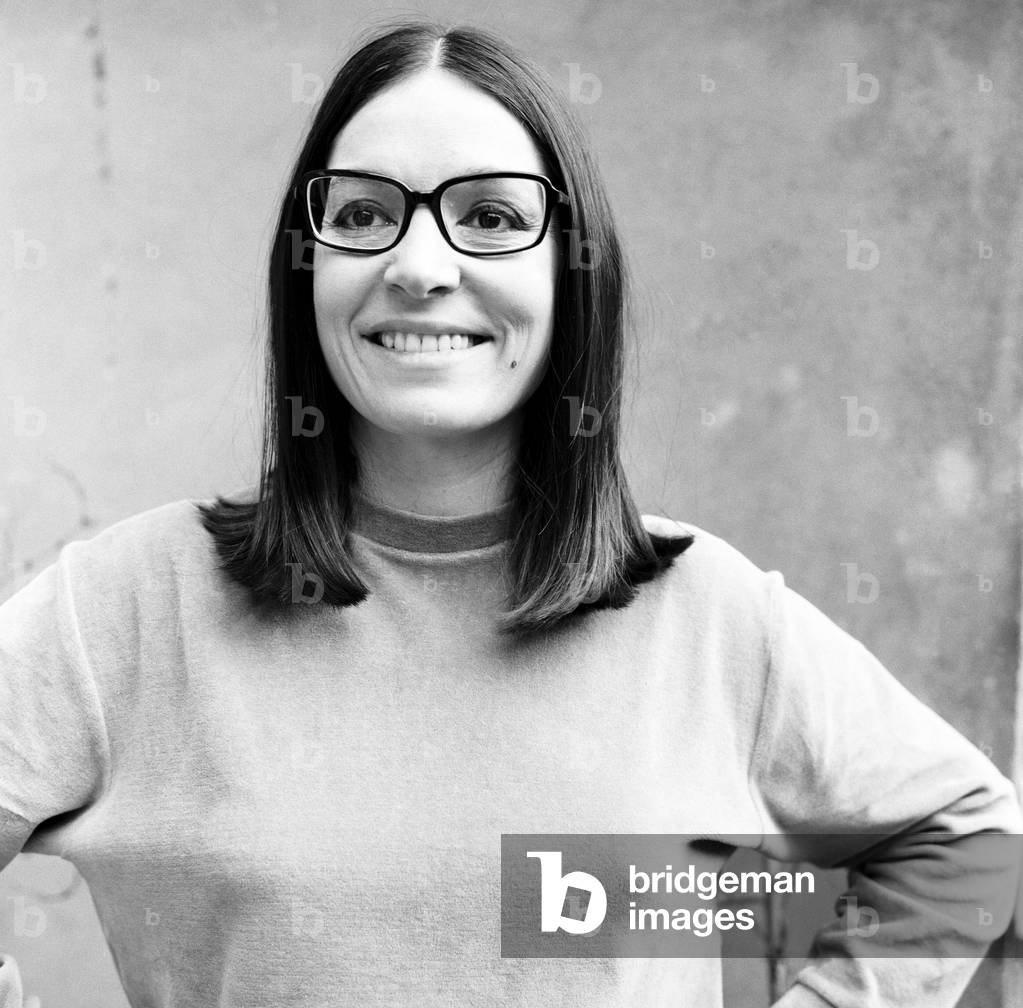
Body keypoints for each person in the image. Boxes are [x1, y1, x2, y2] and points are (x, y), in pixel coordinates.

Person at [0, 18, 1020, 1008]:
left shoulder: (711, 618)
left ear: (573, 271)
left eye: (490, 216)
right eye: (362, 215)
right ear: (306, 266)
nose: (419, 265)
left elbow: (972, 841)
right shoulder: (122, 610)